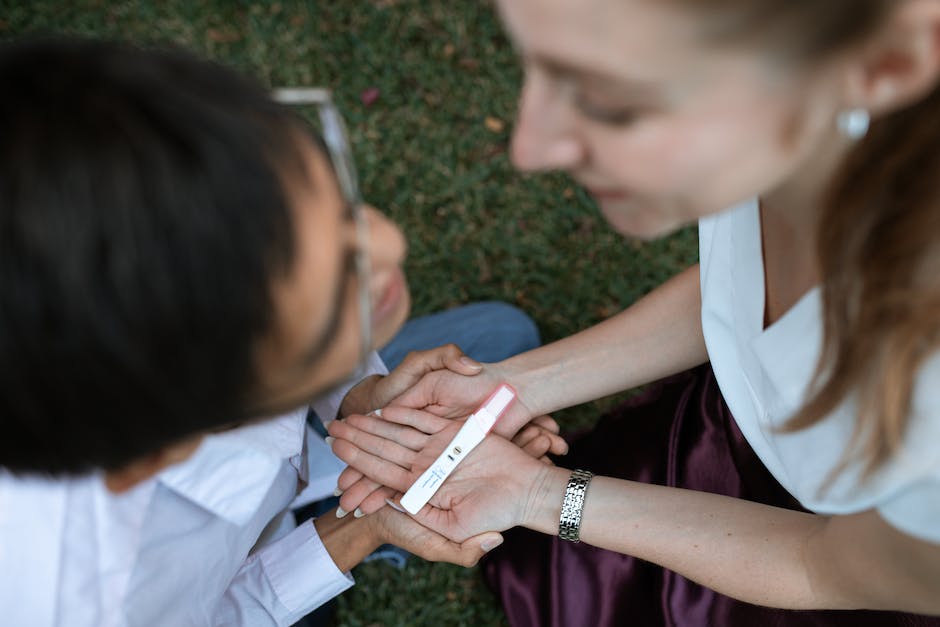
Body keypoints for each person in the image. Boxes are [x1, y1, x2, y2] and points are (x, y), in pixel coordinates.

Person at [327, 0, 940, 625]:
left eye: (609, 101)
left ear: (887, 64)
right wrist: (514, 390)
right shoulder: (801, 122)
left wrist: (544, 496)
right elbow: (734, 289)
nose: (529, 148)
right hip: (732, 439)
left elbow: (818, 567)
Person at [0, 38, 564, 627]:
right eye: (328, 294)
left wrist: (361, 397)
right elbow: (232, 612)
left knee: (502, 335)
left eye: (339, 212)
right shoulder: (91, 603)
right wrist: (362, 526)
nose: (389, 240)